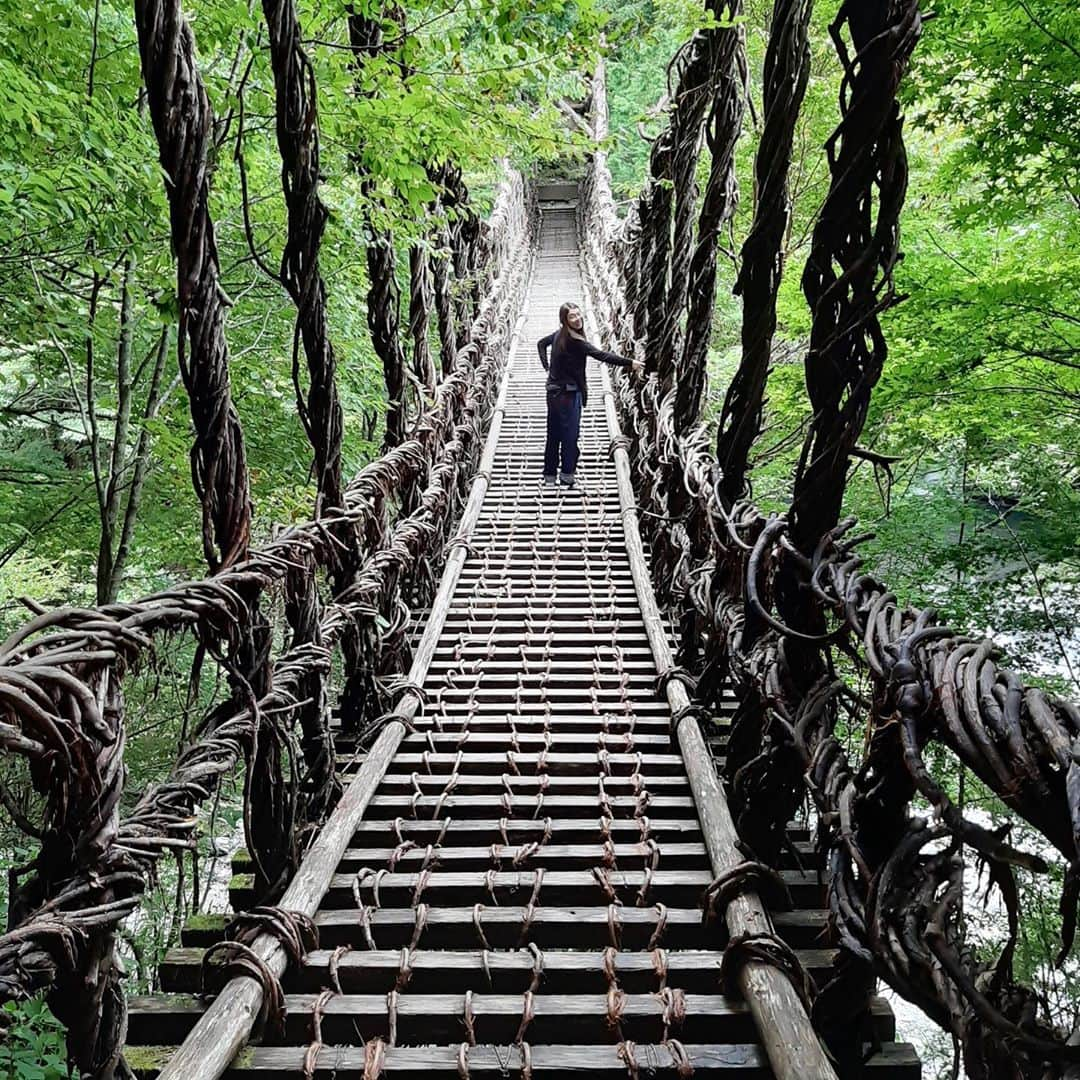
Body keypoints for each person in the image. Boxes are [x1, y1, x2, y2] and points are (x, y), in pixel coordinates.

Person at [537, 302, 642, 488]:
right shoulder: (576, 342)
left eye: (578, 315)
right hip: (568, 395)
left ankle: (549, 475)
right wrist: (629, 362)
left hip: (552, 393)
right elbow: (602, 356)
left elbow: (541, 344)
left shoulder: (558, 335)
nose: (577, 319)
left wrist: (548, 368)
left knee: (553, 433)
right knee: (570, 435)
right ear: (565, 320)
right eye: (572, 316)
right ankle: (567, 475)